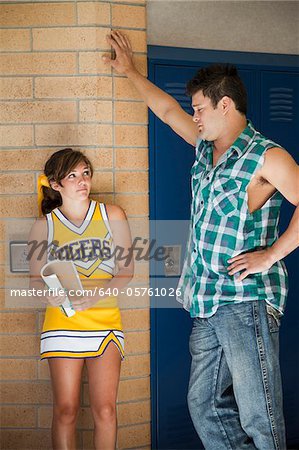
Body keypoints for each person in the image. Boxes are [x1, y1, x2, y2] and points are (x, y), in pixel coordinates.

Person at [102, 31, 299, 450]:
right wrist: (130, 72)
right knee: (204, 405)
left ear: (224, 105)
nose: (194, 117)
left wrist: (271, 255)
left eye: (200, 109)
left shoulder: (267, 157)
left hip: (245, 301)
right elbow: (167, 110)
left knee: (258, 414)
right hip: (205, 300)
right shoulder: (206, 152)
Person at [29, 148, 134, 450]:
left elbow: (126, 271)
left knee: (105, 410)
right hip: (63, 324)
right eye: (72, 175)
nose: (82, 180)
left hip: (105, 323)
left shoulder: (112, 215)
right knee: (66, 411)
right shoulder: (44, 226)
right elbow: (35, 280)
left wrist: (95, 295)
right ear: (55, 184)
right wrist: (51, 294)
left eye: (85, 173)